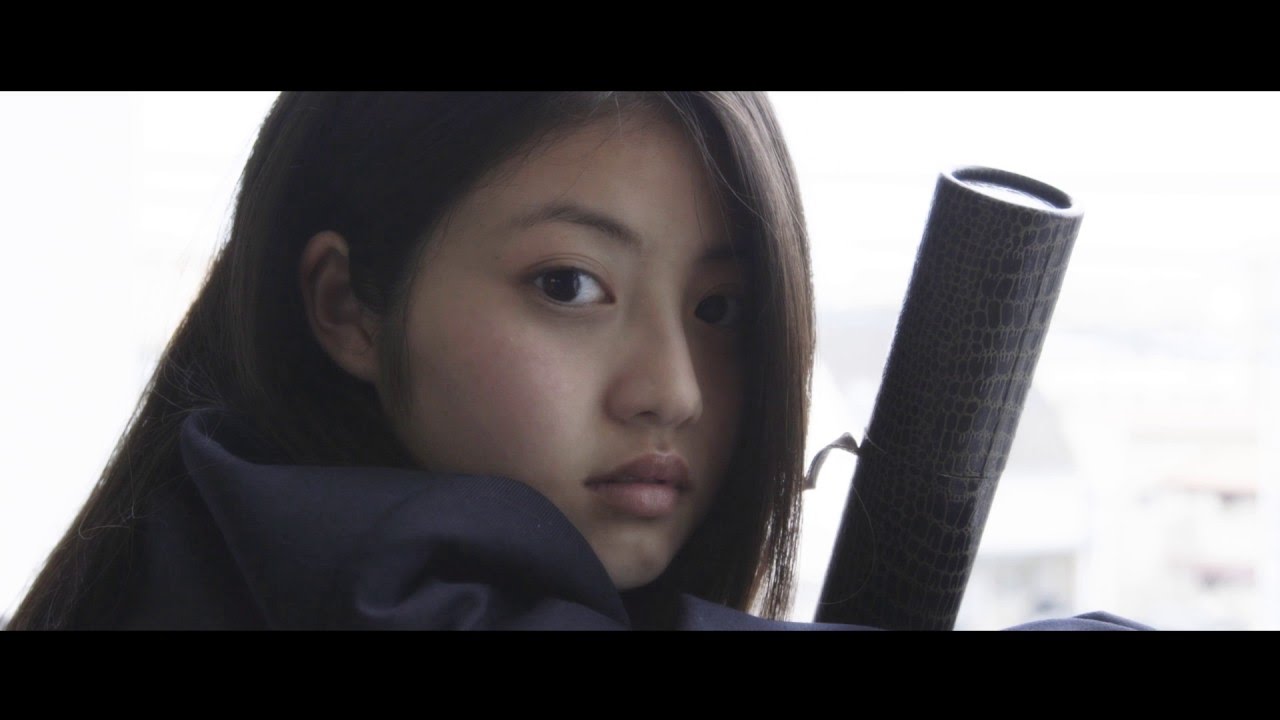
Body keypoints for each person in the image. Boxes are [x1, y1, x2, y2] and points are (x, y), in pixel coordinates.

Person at [7, 92, 1146, 630]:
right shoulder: (368, 591)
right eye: (569, 287)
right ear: (348, 306)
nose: (673, 390)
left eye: (720, 308)